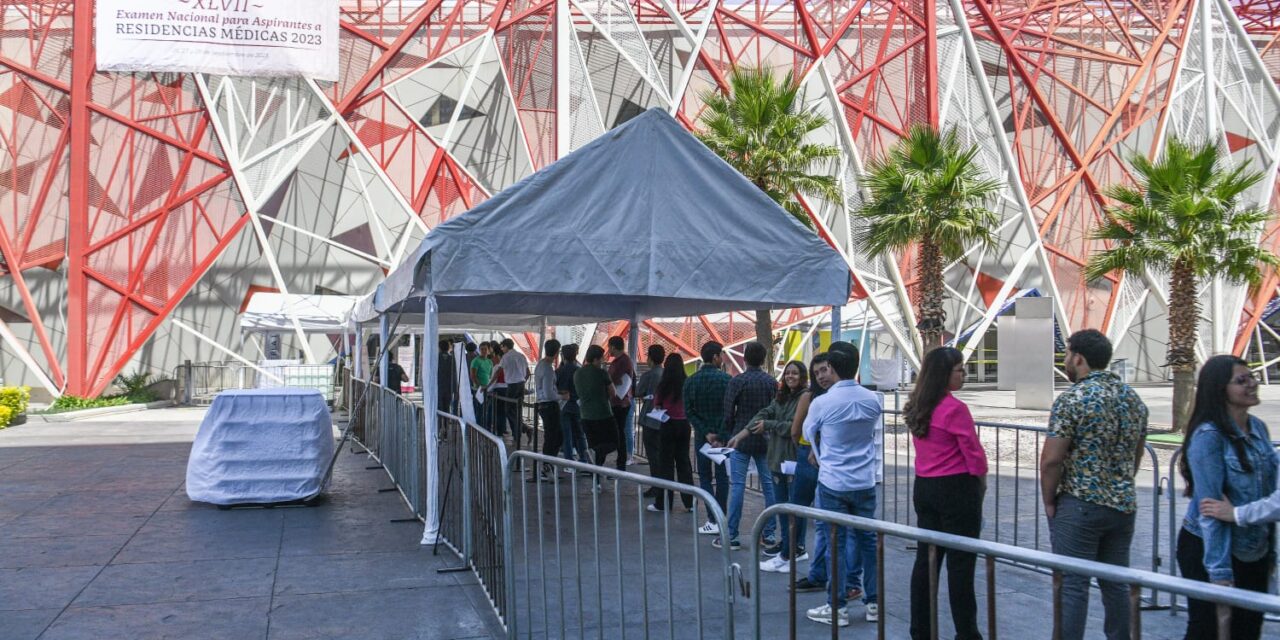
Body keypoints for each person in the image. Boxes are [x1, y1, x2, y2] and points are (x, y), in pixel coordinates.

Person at [1039, 329, 1148, 640]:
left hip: (1080, 504)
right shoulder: (1132, 399)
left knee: (1073, 584)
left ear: (1079, 358)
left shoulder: (1073, 399)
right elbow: (1136, 455)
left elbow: (1051, 460)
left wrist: (1049, 500)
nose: (1065, 361)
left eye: (1067, 355)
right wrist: (1119, 482)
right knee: (1116, 583)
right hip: (1122, 506)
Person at [1177, 355, 1277, 640]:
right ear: (1220, 389)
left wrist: (1269, 553)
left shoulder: (1258, 428)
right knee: (1209, 628)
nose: (1252, 385)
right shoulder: (1209, 436)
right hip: (1212, 549)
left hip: (1252, 549)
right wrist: (1219, 572)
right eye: (1241, 380)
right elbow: (1211, 512)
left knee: (1248, 627)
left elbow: (1270, 496)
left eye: (1252, 377)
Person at [903, 347, 987, 640]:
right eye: (959, 369)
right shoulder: (954, 408)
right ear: (944, 374)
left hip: (925, 486)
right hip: (957, 488)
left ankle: (921, 629)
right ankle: (966, 631)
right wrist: (981, 483)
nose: (963, 373)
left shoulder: (918, 405)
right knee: (961, 565)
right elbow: (973, 453)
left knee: (926, 561)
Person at [803, 347, 880, 626]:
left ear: (832, 368)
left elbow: (807, 432)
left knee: (836, 542)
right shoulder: (872, 399)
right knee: (868, 542)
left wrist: (821, 455)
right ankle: (874, 604)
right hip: (864, 480)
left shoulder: (823, 402)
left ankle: (837, 607)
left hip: (833, 480)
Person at [718, 341, 779, 551]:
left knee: (737, 486)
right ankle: (769, 534)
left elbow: (727, 412)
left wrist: (730, 432)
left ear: (744, 359)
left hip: (740, 439)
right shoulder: (771, 382)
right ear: (763, 359)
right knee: (769, 486)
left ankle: (732, 535)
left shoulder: (738, 381)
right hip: (765, 439)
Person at [755, 360, 806, 572]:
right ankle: (787, 544)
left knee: (794, 506)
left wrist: (768, 425)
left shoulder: (805, 397)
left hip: (793, 459)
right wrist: (757, 423)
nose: (790, 377)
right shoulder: (781, 397)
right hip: (777, 459)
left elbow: (793, 427)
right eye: (787, 373)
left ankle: (797, 547)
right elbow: (767, 411)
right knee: (782, 505)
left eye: (794, 373)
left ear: (802, 376)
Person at [685, 341, 732, 535]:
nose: (723, 359)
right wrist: (720, 434)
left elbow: (689, 411)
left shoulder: (691, 381)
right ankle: (721, 516)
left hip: (702, 439)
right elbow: (730, 411)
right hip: (723, 439)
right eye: (721, 355)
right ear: (715, 357)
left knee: (705, 477)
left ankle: (711, 518)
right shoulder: (727, 380)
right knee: (722, 477)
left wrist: (705, 432)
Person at [651, 353, 694, 512]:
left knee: (666, 464)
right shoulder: (688, 382)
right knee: (684, 463)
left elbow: (657, 405)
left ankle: (663, 503)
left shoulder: (664, 385)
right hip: (684, 425)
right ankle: (689, 503)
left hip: (668, 424)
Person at [575, 344, 619, 480]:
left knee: (595, 443)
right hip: (603, 414)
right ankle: (595, 455)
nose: (602, 362)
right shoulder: (601, 373)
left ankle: (596, 478)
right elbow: (613, 392)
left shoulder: (577, 373)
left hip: (585, 415)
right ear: (595, 359)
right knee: (614, 442)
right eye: (601, 359)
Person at [531, 339, 563, 481]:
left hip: (543, 405)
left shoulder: (540, 365)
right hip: (549, 405)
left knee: (551, 436)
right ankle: (547, 466)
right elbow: (549, 393)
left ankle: (548, 466)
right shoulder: (548, 369)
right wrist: (563, 396)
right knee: (554, 437)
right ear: (557, 353)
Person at [636, 344, 666, 487]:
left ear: (650, 358)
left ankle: (656, 485)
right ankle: (665, 484)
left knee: (652, 455)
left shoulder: (648, 375)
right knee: (662, 453)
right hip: (664, 419)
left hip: (650, 418)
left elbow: (638, 392)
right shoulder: (666, 374)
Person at [494, 338, 530, 448]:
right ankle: (517, 437)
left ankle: (524, 428)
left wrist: (488, 385)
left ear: (505, 346)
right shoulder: (521, 355)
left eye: (502, 347)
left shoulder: (506, 357)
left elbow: (497, 372)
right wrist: (523, 382)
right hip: (521, 384)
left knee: (509, 410)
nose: (502, 349)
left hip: (512, 386)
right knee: (517, 411)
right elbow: (528, 372)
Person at [606, 336, 636, 472]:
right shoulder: (622, 361)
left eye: (609, 347)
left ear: (613, 346)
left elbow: (619, 381)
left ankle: (621, 463)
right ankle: (621, 462)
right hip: (619, 402)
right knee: (620, 433)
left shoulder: (623, 362)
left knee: (620, 433)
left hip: (620, 403)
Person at [556, 343, 588, 464]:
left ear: (563, 356)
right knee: (580, 434)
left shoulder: (559, 371)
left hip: (564, 405)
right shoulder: (580, 371)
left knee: (567, 434)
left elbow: (555, 387)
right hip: (578, 405)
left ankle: (569, 460)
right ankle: (583, 458)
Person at [437, 339, 456, 415]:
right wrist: (455, 389)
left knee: (438, 407)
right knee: (447, 407)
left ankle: (439, 425)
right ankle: (446, 424)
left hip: (438, 386)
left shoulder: (435, 358)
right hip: (449, 387)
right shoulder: (452, 359)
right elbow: (454, 374)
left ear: (439, 347)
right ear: (448, 348)